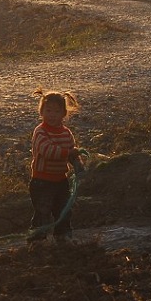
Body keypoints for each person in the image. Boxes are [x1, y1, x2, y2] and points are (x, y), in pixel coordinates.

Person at [27, 89, 85, 243]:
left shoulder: (66, 133)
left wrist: (78, 164)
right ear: (41, 112)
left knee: (64, 211)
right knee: (42, 212)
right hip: (41, 181)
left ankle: (63, 237)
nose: (52, 115)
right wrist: (69, 153)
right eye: (48, 110)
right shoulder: (40, 132)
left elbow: (72, 153)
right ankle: (37, 240)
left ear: (63, 114)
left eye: (56, 111)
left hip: (61, 181)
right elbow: (48, 151)